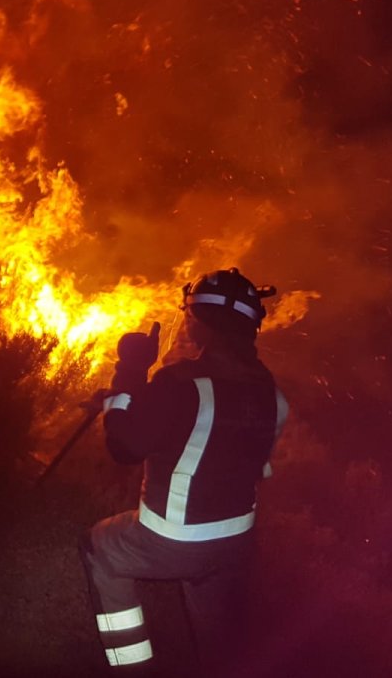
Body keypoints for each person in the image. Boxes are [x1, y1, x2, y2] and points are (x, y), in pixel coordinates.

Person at [79, 268, 288, 676]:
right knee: (221, 641)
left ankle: (132, 666)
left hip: (171, 539)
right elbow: (223, 443)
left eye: (191, 316)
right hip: (236, 544)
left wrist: (131, 371)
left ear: (200, 324)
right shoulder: (273, 394)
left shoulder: (180, 381)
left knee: (98, 548)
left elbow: (124, 447)